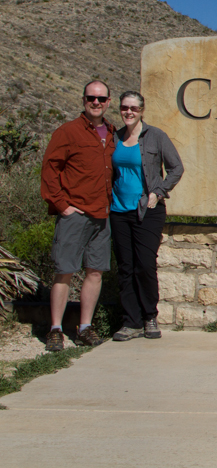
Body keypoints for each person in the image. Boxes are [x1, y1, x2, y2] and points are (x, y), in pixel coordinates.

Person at [40, 80, 116, 351]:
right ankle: (55, 329)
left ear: (109, 102)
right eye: (91, 98)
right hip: (75, 213)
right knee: (64, 271)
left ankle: (85, 326)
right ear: (83, 100)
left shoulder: (111, 132)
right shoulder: (68, 131)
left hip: (102, 213)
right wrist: (62, 205)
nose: (96, 103)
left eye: (101, 99)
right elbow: (50, 170)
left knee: (95, 272)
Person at [109, 90, 184, 341]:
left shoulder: (155, 136)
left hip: (148, 211)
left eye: (133, 108)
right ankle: (130, 322)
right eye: (124, 108)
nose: (128, 112)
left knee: (144, 264)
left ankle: (149, 316)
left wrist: (159, 191)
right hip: (119, 210)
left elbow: (176, 167)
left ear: (142, 110)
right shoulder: (114, 137)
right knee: (125, 267)